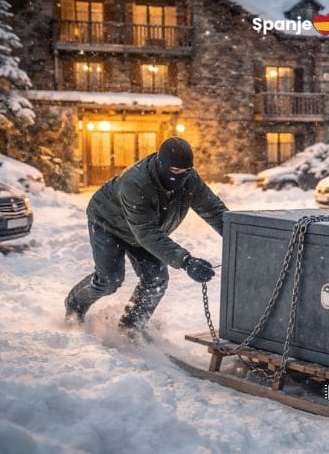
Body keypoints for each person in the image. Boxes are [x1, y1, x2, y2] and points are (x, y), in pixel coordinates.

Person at [64, 136, 228, 335]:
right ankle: (75, 303)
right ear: (162, 165)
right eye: (175, 171)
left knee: (156, 278)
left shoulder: (189, 179)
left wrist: (238, 235)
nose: (181, 176)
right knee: (109, 280)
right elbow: (147, 233)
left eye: (186, 171)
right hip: (107, 222)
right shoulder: (135, 182)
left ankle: (130, 328)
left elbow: (213, 209)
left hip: (143, 229)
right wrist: (186, 261)